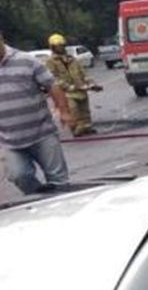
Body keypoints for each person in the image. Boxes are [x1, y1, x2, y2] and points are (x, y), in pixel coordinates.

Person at [0, 29, 73, 194]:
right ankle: (41, 200)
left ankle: (63, 203)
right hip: (10, 140)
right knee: (19, 175)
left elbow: (52, 85)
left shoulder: (26, 60)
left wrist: (64, 111)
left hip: (42, 133)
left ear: (1, 38)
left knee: (59, 181)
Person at [44, 33, 102, 137]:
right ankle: (76, 129)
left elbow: (82, 73)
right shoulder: (50, 62)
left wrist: (91, 84)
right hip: (67, 92)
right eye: (57, 46)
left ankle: (87, 127)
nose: (60, 48)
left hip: (81, 89)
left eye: (61, 45)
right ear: (53, 47)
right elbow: (53, 78)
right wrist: (67, 86)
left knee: (85, 110)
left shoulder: (72, 59)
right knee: (73, 111)